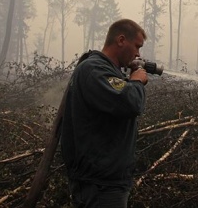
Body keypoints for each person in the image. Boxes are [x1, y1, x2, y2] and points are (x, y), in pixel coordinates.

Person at [61, 19, 149, 208]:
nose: (138, 54)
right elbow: (130, 103)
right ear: (121, 40)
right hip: (100, 185)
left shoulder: (107, 72)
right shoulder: (95, 70)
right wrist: (136, 81)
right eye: (137, 46)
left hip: (107, 182)